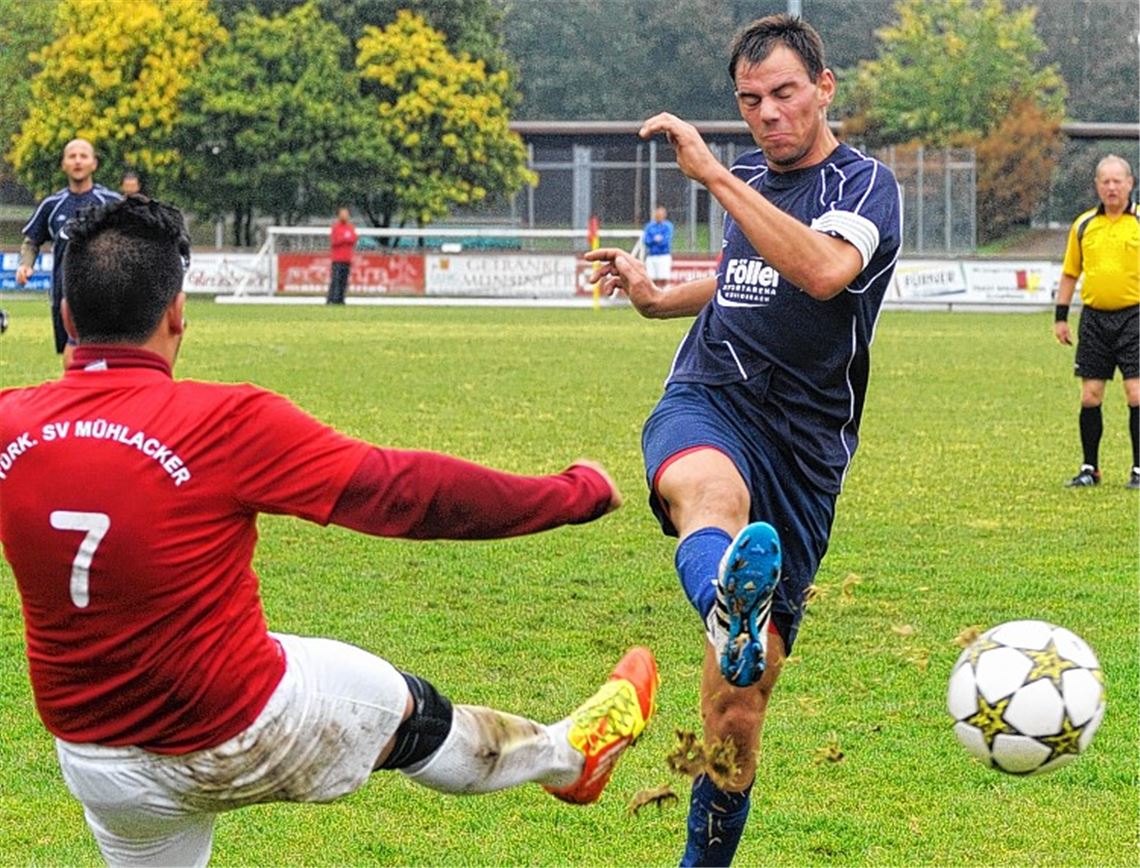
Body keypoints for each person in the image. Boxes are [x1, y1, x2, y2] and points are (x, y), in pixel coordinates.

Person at [0, 196, 659, 866]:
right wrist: (571, 494)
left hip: (97, 763)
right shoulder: (224, 421)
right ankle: (569, 761)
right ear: (177, 313)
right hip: (239, 727)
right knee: (415, 715)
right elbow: (402, 493)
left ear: (66, 316)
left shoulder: (9, 422)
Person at [585, 15, 900, 866]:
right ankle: (728, 597)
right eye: (750, 100)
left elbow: (822, 270)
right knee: (708, 496)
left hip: (804, 457)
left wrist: (717, 176)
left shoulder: (866, 189)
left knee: (736, 715)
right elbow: (740, 276)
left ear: (825, 88)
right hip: (711, 398)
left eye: (784, 94)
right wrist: (658, 298)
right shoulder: (753, 184)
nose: (767, 113)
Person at [1053, 154, 1139, 490]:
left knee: (1136, 393)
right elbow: (1070, 273)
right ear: (1097, 186)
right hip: (1094, 320)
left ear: (1130, 183)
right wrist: (1060, 317)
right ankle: (1090, 468)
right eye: (1106, 181)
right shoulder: (1084, 225)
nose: (1112, 187)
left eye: (1118, 181)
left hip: (1135, 317)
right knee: (1090, 395)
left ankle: (1138, 469)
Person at [15, 138, 121, 367]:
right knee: (71, 352)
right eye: (72, 156)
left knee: (101, 351)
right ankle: (76, 393)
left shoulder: (112, 203)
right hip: (64, 294)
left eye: (83, 156)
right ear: (64, 164)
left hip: (104, 292)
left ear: (94, 163)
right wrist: (26, 265)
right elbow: (32, 241)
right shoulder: (52, 205)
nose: (78, 161)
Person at [327, 206, 357, 304]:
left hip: (347, 259)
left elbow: (353, 239)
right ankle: (332, 299)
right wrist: (345, 238)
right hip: (337, 259)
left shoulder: (350, 227)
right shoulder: (335, 227)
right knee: (336, 280)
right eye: (343, 214)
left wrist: (345, 239)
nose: (345, 216)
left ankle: (341, 299)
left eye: (346, 214)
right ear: (339, 215)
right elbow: (335, 241)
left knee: (344, 280)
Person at [642, 204, 675, 287]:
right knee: (651, 279)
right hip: (651, 256)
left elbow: (666, 240)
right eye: (657, 214)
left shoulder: (668, 226)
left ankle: (664, 295)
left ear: (664, 215)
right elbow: (646, 240)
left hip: (663, 255)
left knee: (663, 278)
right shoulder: (649, 226)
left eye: (661, 214)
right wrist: (655, 240)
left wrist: (655, 241)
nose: (659, 216)